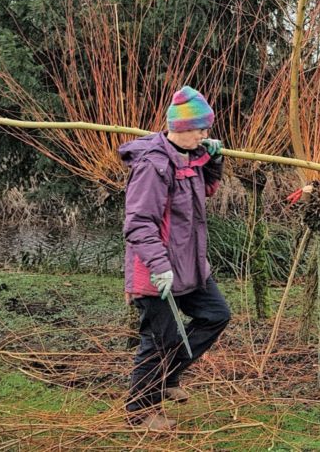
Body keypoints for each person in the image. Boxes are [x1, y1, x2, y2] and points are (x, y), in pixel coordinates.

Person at [119, 85, 231, 431]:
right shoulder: (154, 165)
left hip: (190, 264)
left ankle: (168, 376)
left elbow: (206, 191)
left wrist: (213, 161)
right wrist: (158, 266)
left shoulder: (190, 156)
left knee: (215, 314)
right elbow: (138, 224)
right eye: (201, 129)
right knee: (160, 339)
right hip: (155, 271)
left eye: (206, 129)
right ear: (180, 128)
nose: (205, 134)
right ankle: (140, 412)